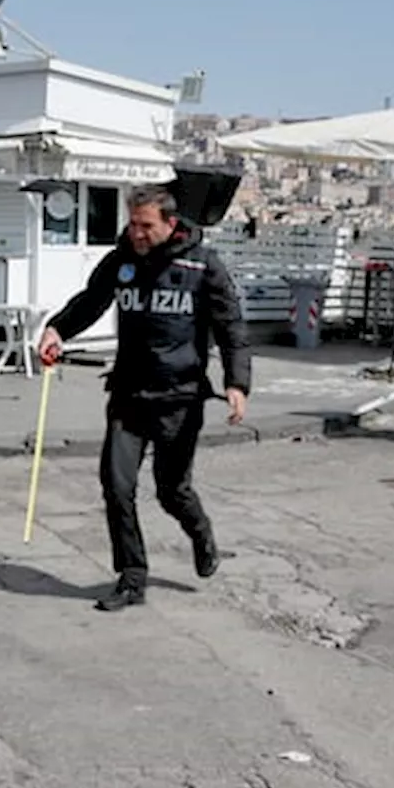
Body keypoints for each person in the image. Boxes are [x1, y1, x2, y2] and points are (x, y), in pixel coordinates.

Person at [37, 184, 252, 613]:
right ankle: (132, 578)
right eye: (132, 224)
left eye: (145, 225)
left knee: (171, 491)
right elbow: (90, 301)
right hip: (129, 393)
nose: (136, 233)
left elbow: (231, 327)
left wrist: (237, 383)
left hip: (179, 397)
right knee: (116, 488)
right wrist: (57, 329)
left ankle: (201, 533)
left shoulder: (203, 265)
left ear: (170, 225)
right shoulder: (121, 261)